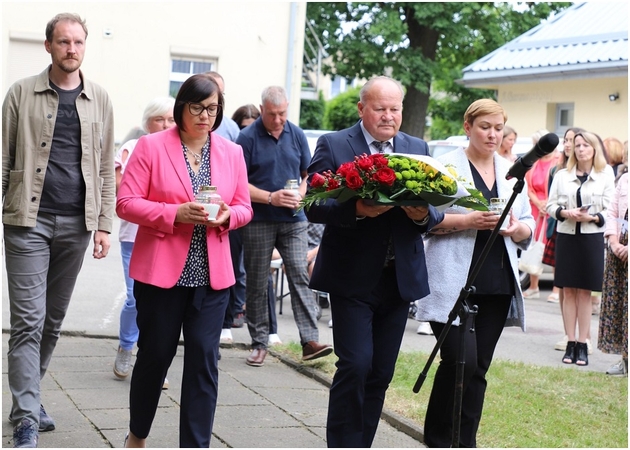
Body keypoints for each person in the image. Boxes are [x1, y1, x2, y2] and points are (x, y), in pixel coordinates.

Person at [306, 76, 444, 448]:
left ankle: (360, 442)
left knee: (381, 372)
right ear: (362, 109)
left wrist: (420, 215)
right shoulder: (334, 144)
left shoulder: (417, 147)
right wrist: (359, 209)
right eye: (380, 108)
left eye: (394, 109)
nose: (388, 116)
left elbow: (432, 214)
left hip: (398, 278)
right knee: (355, 364)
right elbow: (314, 204)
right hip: (352, 277)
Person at [116, 74, 253, 447]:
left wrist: (229, 217)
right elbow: (126, 203)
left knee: (204, 365)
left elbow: (243, 206)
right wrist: (173, 213)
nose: (205, 116)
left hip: (212, 278)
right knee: (155, 357)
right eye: (197, 107)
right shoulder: (150, 146)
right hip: (161, 276)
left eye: (212, 109)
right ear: (181, 107)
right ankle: (137, 434)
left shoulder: (231, 152)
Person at [2, 13, 115, 448]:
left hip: (76, 224)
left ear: (85, 46)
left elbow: (106, 167)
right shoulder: (20, 93)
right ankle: (28, 416)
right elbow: (4, 156)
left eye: (78, 42)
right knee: (28, 320)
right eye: (63, 42)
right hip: (27, 222)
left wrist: (104, 224)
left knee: (51, 320)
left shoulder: (99, 98)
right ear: (48, 46)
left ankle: (26, 400)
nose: (71, 49)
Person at [415, 99, 534, 448]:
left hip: (496, 281)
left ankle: (466, 442)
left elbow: (528, 224)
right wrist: (466, 222)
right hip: (451, 281)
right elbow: (423, 221)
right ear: (468, 127)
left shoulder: (512, 171)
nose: (493, 134)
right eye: (485, 127)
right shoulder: (444, 167)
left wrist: (517, 230)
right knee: (457, 361)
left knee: (478, 368)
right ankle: (438, 440)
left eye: (499, 128)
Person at [236, 86, 332, 367]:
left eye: (282, 114)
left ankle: (309, 341)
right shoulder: (247, 138)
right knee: (256, 281)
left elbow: (309, 174)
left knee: (300, 274)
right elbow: (238, 184)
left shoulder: (297, 133)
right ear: (261, 110)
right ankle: (259, 343)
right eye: (272, 115)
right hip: (258, 219)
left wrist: (302, 193)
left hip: (293, 219)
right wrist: (270, 197)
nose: (278, 120)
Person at [113, 97, 176, 384]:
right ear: (147, 122)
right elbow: (123, 193)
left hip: (167, 235)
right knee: (133, 299)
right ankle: (127, 345)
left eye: (171, 119)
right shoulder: (133, 148)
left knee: (161, 303)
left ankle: (150, 360)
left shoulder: (181, 150)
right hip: (134, 236)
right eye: (159, 119)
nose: (166, 125)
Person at [546, 131, 615, 367]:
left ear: (594, 149)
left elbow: (611, 210)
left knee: (585, 292)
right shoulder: (562, 175)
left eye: (585, 145)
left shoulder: (606, 176)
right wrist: (566, 213)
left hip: (591, 237)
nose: (580, 149)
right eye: (577, 145)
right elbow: (550, 205)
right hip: (566, 235)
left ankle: (584, 344)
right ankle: (571, 342)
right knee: (568, 290)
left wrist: (594, 217)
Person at [544, 128, 585, 349]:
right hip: (559, 228)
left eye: (573, 141)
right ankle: (567, 331)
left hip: (584, 231)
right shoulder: (556, 170)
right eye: (566, 140)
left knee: (580, 286)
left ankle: (582, 335)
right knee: (562, 284)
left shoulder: (589, 172)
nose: (568, 145)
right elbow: (552, 203)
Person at [522, 129, 559, 299]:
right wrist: (537, 202)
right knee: (533, 247)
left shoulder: (558, 161)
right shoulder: (534, 162)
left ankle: (556, 290)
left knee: (553, 248)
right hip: (536, 207)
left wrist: (548, 203)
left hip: (553, 207)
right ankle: (534, 286)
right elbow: (527, 185)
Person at [598, 169, 628, 376]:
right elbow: (613, 213)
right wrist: (614, 241)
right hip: (620, 248)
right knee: (622, 308)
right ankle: (625, 359)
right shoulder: (625, 179)